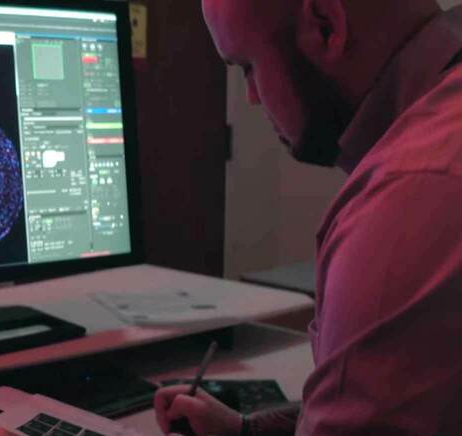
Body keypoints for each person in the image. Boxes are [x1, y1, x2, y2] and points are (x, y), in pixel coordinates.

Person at [155, 0, 462, 435]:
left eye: (248, 67)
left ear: (324, 26)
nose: (253, 98)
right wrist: (246, 430)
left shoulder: (413, 193)